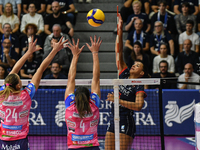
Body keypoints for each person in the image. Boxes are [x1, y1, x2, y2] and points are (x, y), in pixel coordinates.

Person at [0, 37, 68, 149]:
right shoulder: (25, 95)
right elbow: (41, 69)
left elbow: (13, 71)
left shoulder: (2, 93)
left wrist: (28, 52)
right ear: (18, 85)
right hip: (20, 141)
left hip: (3, 140)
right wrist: (54, 50)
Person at [105, 14, 147, 150]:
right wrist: (120, 29)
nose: (134, 65)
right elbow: (118, 51)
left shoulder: (139, 85)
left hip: (126, 121)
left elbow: (139, 106)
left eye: (138, 65)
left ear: (141, 73)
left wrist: (117, 100)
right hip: (113, 118)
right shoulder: (124, 74)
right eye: (134, 64)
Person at [65, 36, 102, 149]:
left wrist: (75, 55)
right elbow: (96, 79)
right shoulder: (94, 104)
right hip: (92, 146)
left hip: (74, 147)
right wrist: (95, 53)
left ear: (74, 98)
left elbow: (71, 78)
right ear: (89, 97)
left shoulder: (70, 105)